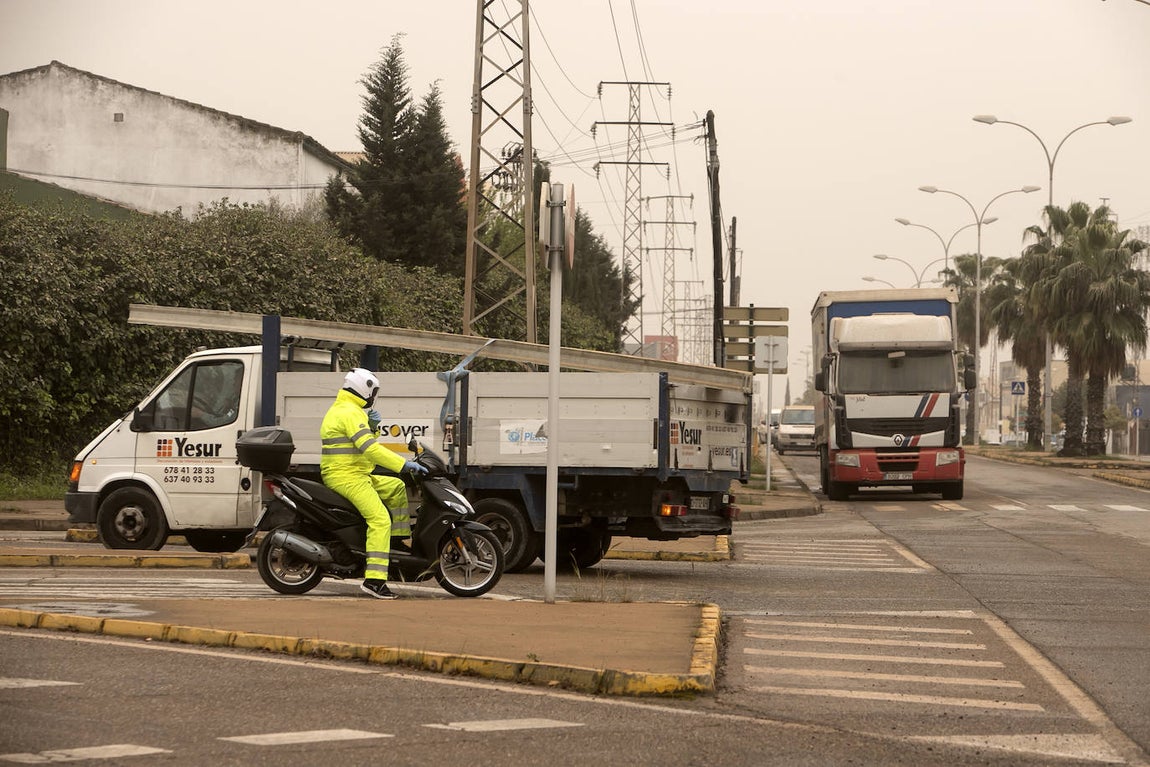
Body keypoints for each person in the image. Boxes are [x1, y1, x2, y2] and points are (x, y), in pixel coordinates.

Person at [320, 368, 427, 600]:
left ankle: (395, 547)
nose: (373, 396)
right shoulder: (350, 412)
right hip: (347, 476)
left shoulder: (350, 409)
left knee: (397, 488)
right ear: (364, 388)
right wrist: (403, 465)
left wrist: (372, 427)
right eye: (373, 391)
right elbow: (370, 449)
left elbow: (362, 442)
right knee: (379, 519)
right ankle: (375, 581)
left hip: (358, 473)